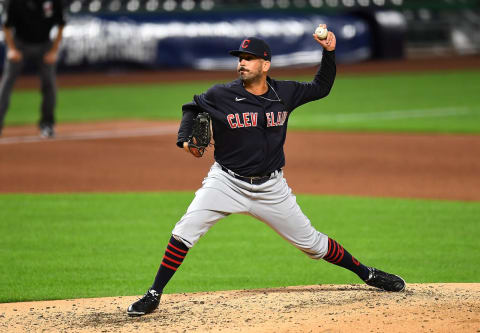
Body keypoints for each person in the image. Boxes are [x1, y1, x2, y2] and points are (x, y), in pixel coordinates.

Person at [127, 26, 406, 317]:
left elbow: (322, 86)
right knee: (184, 231)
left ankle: (367, 273)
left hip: (271, 188)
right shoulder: (220, 94)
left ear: (265, 64)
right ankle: (153, 294)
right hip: (225, 182)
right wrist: (184, 137)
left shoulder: (284, 92)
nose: (242, 63)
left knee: (312, 244)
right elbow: (192, 107)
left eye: (249, 58)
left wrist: (329, 52)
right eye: (240, 58)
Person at [0, 0, 66, 138]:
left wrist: (54, 51)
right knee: (6, 83)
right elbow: (6, 26)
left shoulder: (53, 2)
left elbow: (61, 25)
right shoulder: (16, 3)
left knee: (49, 84)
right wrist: (11, 49)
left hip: (44, 45)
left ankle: (47, 124)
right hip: (20, 44)